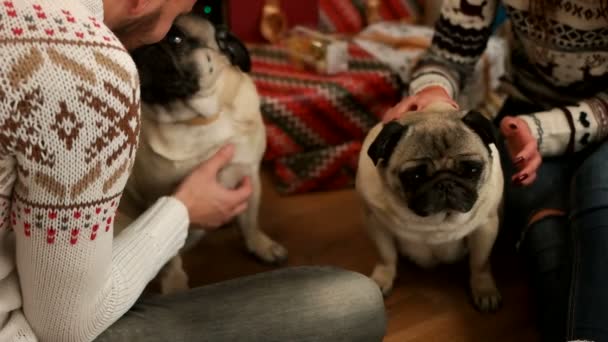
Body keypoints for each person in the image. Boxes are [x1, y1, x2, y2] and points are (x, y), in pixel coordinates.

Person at [0, 0, 387, 341]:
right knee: (355, 302)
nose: (168, 32)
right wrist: (182, 211)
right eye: (182, 9)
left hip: (38, 272)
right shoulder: (85, 70)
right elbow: (66, 328)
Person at [383, 0, 608, 341]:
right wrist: (433, 89)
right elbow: (447, 56)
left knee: (598, 207)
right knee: (546, 243)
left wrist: (546, 131)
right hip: (524, 114)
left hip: (566, 124)